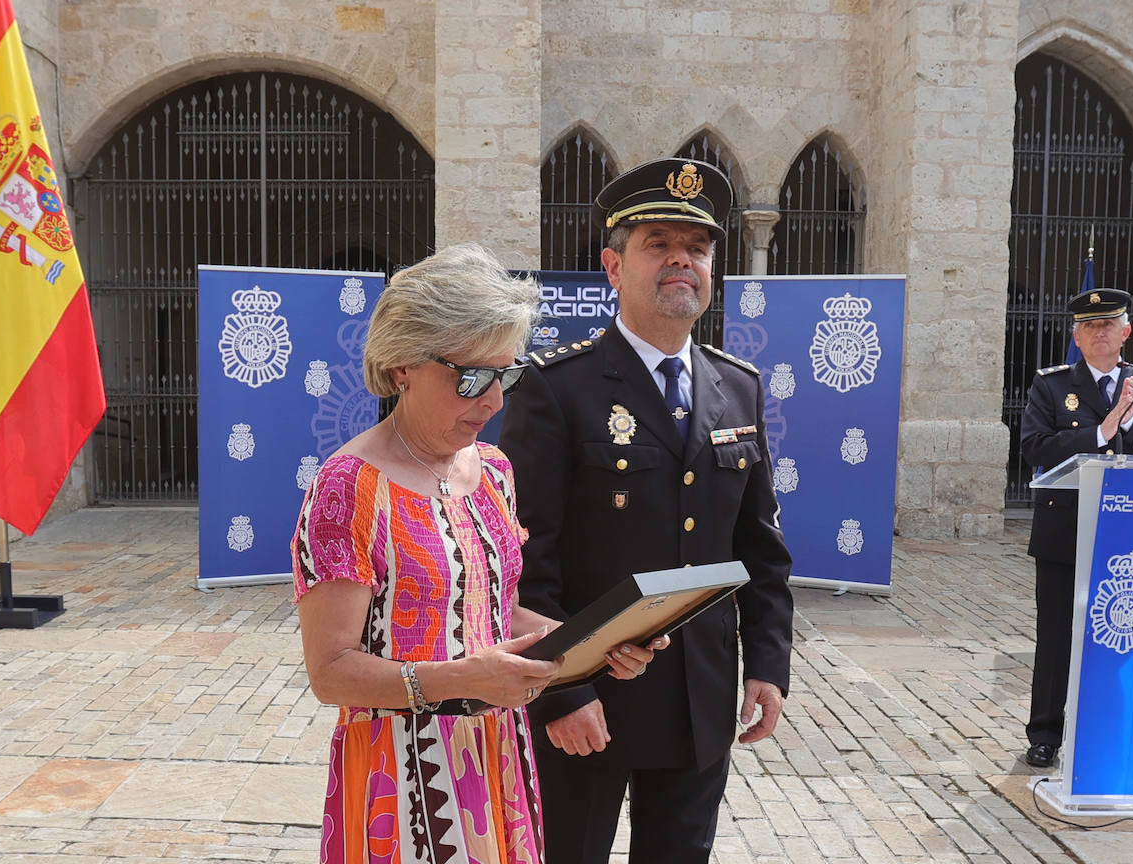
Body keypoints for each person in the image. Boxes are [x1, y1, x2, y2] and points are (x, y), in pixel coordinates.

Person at [291, 242, 663, 864]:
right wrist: (464, 680)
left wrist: (592, 641)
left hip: (497, 758)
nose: (493, 402)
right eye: (472, 377)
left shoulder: (492, 470)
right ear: (404, 364)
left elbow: (492, 610)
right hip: (400, 771)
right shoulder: (347, 486)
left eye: (507, 375)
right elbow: (331, 672)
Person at [498, 159, 795, 864]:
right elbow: (522, 559)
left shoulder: (737, 388)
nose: (680, 261)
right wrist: (558, 693)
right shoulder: (556, 389)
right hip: (590, 700)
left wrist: (769, 664)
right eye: (658, 243)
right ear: (613, 264)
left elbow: (761, 549)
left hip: (699, 699)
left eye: (696, 247)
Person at [1020, 287, 1133, 768]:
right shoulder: (1050, 386)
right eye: (1089, 326)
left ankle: (1112, 726)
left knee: (1124, 627)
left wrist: (1132, 421)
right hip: (1064, 532)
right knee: (1056, 636)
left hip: (1131, 535)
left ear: (1126, 332)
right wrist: (1101, 432)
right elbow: (1035, 447)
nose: (1099, 333)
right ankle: (1046, 734)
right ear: (1076, 335)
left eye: (1108, 325)